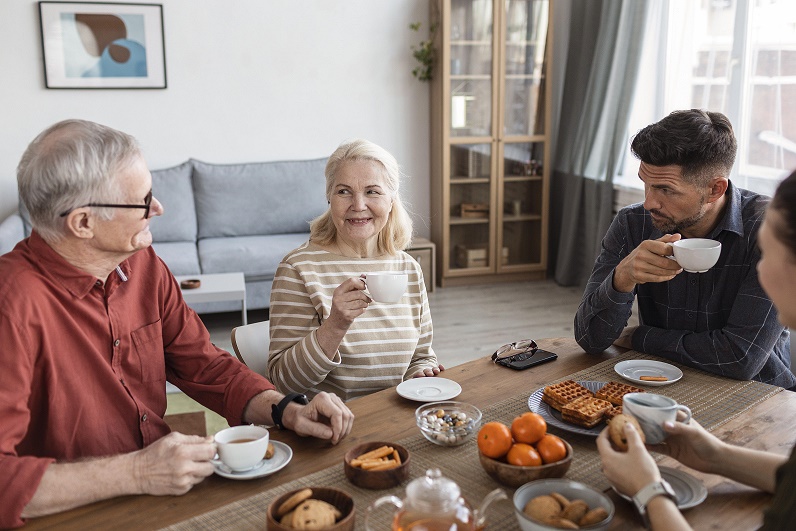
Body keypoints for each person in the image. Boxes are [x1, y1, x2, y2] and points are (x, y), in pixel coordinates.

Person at [0, 120, 354, 528]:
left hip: (164, 494)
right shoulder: (13, 304)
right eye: (142, 200)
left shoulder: (144, 266)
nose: (159, 209)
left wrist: (286, 410)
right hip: (74, 512)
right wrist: (137, 472)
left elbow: (202, 363)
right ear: (83, 223)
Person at [597, 169, 796, 530]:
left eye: (766, 254)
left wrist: (648, 491)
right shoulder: (634, 223)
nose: (760, 271)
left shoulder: (753, 220)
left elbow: (740, 357)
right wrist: (716, 455)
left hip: (759, 403)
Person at [574, 109, 794, 389]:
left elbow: (740, 358)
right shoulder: (633, 223)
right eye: (646, 185)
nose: (649, 203)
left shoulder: (768, 230)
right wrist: (622, 278)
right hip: (659, 383)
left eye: (665, 190)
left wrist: (640, 337)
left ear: (715, 189)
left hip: (760, 396)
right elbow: (590, 339)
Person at [268, 139, 443, 401]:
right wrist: (335, 326)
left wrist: (421, 372)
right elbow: (283, 381)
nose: (358, 205)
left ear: (392, 199)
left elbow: (421, 355)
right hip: (331, 424)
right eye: (344, 192)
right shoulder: (297, 269)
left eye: (372, 191)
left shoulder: (408, 268)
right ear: (329, 197)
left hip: (396, 416)